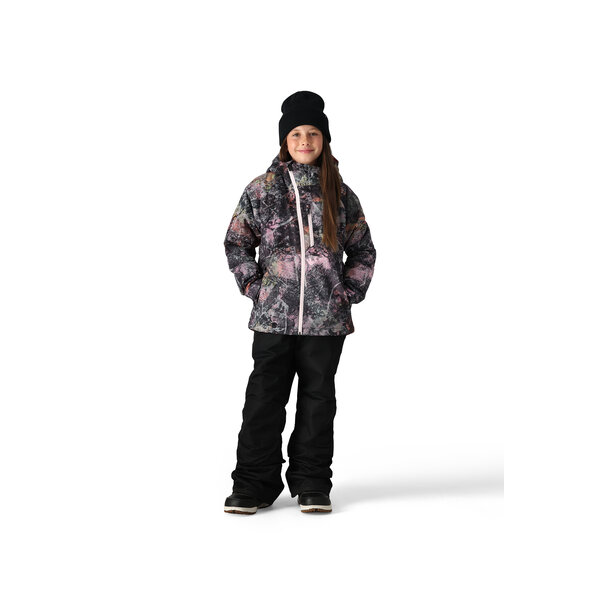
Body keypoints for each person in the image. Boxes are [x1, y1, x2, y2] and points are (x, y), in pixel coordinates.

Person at [222, 90, 377, 514]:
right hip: (273, 319)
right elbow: (237, 242)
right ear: (284, 140)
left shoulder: (340, 194)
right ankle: (252, 484)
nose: (305, 140)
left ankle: (312, 482)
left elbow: (363, 250)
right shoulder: (262, 190)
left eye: (313, 133)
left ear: (324, 139)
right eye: (296, 134)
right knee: (264, 399)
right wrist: (257, 288)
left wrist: (346, 294)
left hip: (326, 321)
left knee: (318, 400)